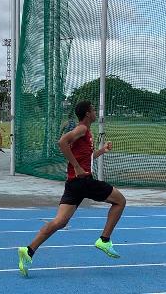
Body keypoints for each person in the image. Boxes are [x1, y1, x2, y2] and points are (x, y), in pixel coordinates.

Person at [17, 101, 126, 277]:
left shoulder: (86, 132)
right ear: (87, 113)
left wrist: (102, 150)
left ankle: (28, 250)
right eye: (92, 110)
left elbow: (87, 157)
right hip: (83, 181)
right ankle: (104, 239)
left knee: (60, 222)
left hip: (74, 184)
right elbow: (62, 142)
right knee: (120, 201)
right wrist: (76, 166)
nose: (94, 112)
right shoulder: (82, 129)